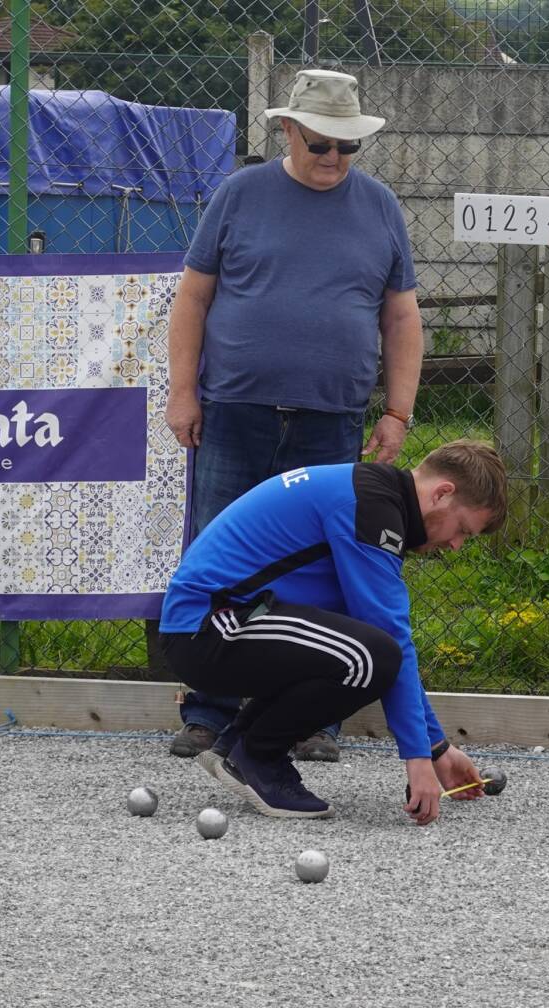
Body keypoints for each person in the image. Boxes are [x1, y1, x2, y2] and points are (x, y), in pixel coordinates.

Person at [161, 68, 424, 763]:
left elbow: (401, 316)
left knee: (330, 569)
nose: (333, 159)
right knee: (221, 558)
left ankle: (312, 715)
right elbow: (192, 298)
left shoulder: (380, 207)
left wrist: (398, 410)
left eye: (348, 148)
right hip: (236, 406)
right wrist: (182, 391)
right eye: (320, 145)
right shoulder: (239, 194)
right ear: (287, 131)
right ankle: (208, 709)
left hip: (332, 415)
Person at [158, 440, 507, 824]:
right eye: (463, 530)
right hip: (208, 628)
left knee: (362, 651)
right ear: (442, 493)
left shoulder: (373, 496)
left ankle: (238, 746)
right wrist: (419, 758)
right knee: (371, 657)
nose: (456, 545)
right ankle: (258, 756)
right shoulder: (370, 510)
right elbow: (392, 642)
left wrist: (437, 747)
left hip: (221, 622)